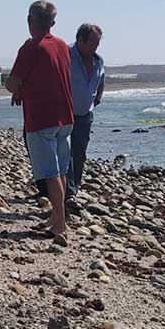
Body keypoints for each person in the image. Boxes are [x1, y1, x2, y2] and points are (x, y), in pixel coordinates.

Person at [5, 0, 74, 244]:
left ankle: (59, 226)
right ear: (52, 22)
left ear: (30, 20)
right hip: (65, 116)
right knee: (61, 170)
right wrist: (24, 88)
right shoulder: (63, 45)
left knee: (50, 172)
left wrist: (20, 89)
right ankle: (57, 217)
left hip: (42, 118)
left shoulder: (31, 47)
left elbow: (12, 82)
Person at [67, 23, 104, 202]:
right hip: (65, 114)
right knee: (65, 153)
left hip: (85, 115)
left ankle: (74, 188)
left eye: (97, 44)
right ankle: (66, 192)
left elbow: (101, 79)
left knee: (79, 153)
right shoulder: (66, 56)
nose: (95, 48)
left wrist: (97, 99)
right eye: (92, 44)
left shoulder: (98, 61)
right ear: (79, 40)